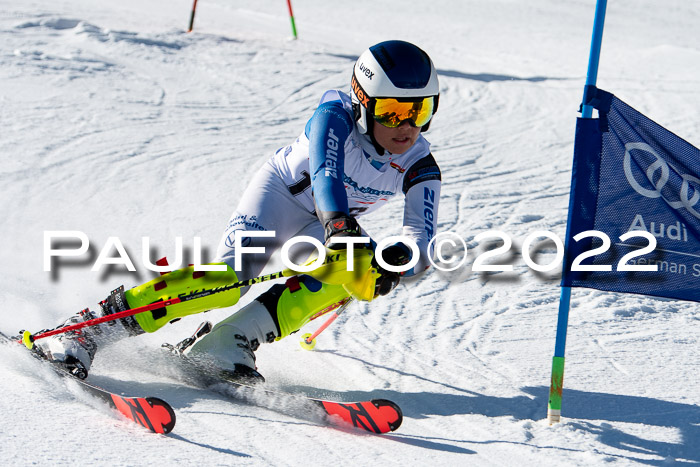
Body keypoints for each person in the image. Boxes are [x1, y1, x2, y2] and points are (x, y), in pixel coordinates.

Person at [32, 40, 443, 384]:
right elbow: (325, 174)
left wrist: (396, 263)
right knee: (232, 278)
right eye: (392, 109)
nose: (406, 125)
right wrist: (339, 225)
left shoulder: (421, 166)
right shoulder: (334, 114)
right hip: (280, 197)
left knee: (358, 273)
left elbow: (418, 239)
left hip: (328, 225)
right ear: (362, 101)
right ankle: (88, 329)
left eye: (419, 110)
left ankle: (226, 342)